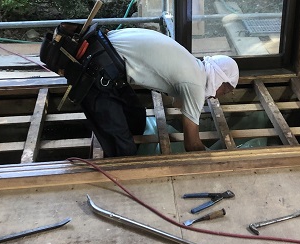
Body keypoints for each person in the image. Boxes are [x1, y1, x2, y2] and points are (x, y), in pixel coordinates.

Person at [102, 27, 239, 155]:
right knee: (121, 145)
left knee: (137, 115)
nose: (216, 97)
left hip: (105, 50)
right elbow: (192, 145)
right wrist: (217, 161)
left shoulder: (193, 66)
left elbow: (176, 103)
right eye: (224, 92)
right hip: (100, 70)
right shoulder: (196, 85)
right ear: (220, 81)